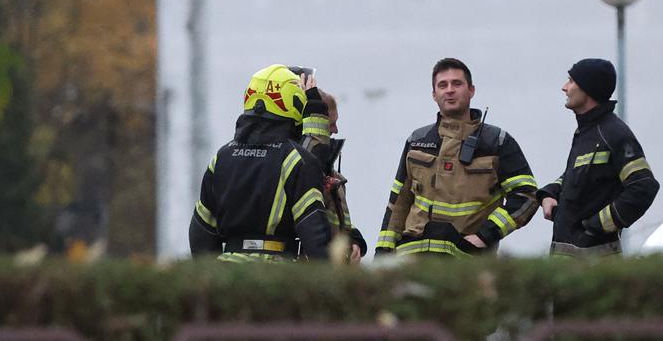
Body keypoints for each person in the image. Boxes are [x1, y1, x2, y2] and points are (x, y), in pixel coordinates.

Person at [374, 58, 540, 256]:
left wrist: (485, 235)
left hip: (467, 261)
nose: (449, 90)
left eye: (457, 83)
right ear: (434, 95)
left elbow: (527, 195)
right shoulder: (418, 140)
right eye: (442, 85)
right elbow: (398, 202)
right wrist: (383, 253)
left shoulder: (497, 142)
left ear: (471, 90)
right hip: (412, 258)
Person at [189, 64, 333, 262]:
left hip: (225, 278)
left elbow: (201, 233)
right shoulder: (296, 160)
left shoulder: (222, 157)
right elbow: (315, 237)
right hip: (276, 280)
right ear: (295, 102)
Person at [538, 58, 660, 255]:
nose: (564, 87)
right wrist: (550, 192)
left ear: (588, 89)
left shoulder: (614, 134)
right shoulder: (587, 132)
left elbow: (643, 187)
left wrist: (595, 227)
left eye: (571, 80)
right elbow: (580, 176)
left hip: (595, 259)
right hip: (569, 258)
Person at [299, 87, 366, 262]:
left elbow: (336, 219)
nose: (336, 130)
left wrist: (354, 241)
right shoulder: (298, 171)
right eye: (330, 124)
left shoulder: (330, 172)